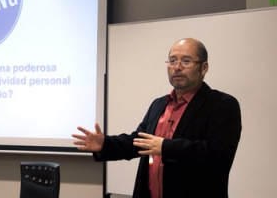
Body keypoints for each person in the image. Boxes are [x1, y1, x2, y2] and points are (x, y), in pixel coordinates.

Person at [72, 38, 242, 198]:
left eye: (186, 61)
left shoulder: (222, 104)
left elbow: (218, 153)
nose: (177, 67)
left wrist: (165, 146)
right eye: (172, 61)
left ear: (204, 67)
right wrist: (105, 144)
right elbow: (138, 142)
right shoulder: (159, 104)